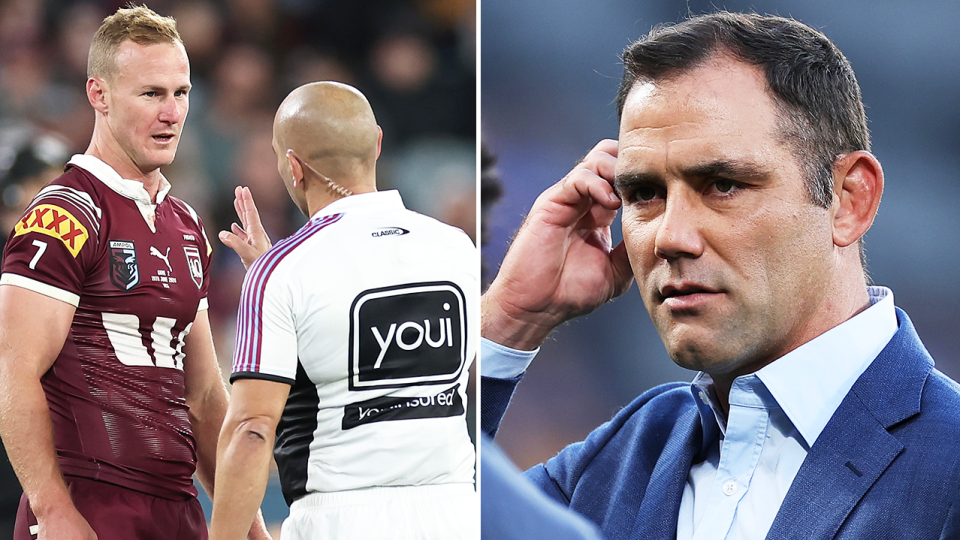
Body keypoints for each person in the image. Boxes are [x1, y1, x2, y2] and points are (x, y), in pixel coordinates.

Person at [481, 11, 960, 540]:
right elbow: (408, 508)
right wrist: (508, 318)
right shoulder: (614, 465)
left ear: (849, 200)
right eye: (644, 194)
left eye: (723, 184)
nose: (669, 237)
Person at [0, 6, 268, 540]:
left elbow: (204, 397)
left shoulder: (187, 224)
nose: (172, 113)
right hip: (91, 502)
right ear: (98, 95)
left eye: (182, 93)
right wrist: (53, 511)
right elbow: (13, 370)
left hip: (177, 508)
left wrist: (248, 526)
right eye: (151, 94)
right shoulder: (64, 214)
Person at [209, 81, 478, 540]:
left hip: (339, 521)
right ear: (376, 142)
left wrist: (271, 281)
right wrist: (274, 277)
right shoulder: (456, 248)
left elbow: (252, 430)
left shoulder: (284, 273)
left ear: (293, 168)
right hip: (459, 513)